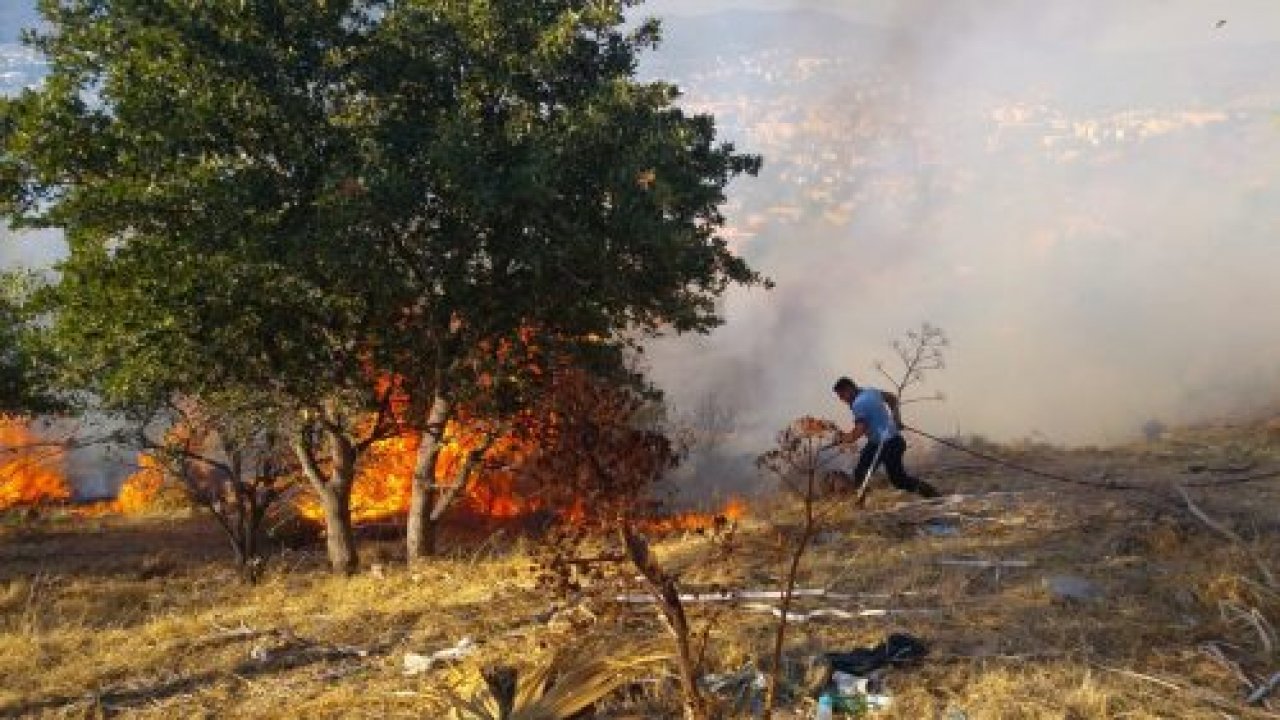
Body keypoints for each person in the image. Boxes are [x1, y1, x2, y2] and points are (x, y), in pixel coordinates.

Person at [832, 377, 939, 499]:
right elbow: (892, 398)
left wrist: (843, 438)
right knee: (861, 473)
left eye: (842, 395)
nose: (842, 399)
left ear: (849, 389)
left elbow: (859, 431)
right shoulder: (871, 392)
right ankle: (861, 503)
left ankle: (933, 495)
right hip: (882, 442)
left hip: (888, 444)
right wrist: (897, 419)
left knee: (898, 480)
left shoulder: (859, 404)